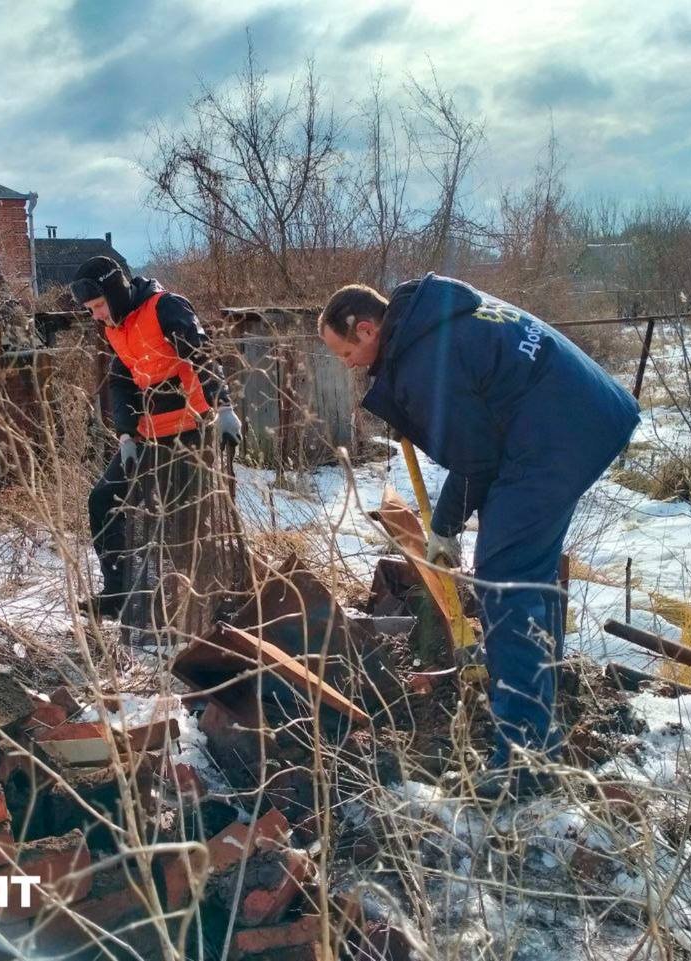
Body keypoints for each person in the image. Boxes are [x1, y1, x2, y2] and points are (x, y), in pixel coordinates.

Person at [318, 273, 639, 801]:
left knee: (505, 576)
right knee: (523, 572)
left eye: (345, 350)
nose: (347, 364)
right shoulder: (429, 321)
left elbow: (475, 460)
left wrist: (443, 528)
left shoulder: (424, 359)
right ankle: (540, 710)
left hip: (556, 433)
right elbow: (481, 437)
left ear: (368, 328)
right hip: (571, 418)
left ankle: (524, 762)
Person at [71, 255, 242, 620]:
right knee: (104, 500)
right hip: (147, 436)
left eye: (98, 305)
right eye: (90, 309)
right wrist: (125, 436)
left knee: (186, 521)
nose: (96, 315)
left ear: (114, 292)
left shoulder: (166, 307)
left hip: (191, 431)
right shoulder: (115, 328)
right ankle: (117, 595)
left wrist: (224, 407)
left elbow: (202, 355)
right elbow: (121, 380)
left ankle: (210, 605)